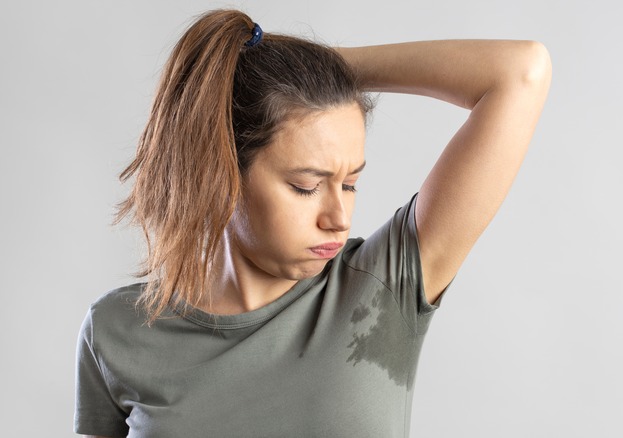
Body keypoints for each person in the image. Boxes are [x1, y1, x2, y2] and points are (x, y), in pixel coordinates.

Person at [74, 8, 551, 438]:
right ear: (220, 173)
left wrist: (310, 68)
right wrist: (232, 87)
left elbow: (521, 71)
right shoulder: (117, 331)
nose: (338, 219)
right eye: (306, 186)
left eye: (350, 184)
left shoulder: (384, 286)